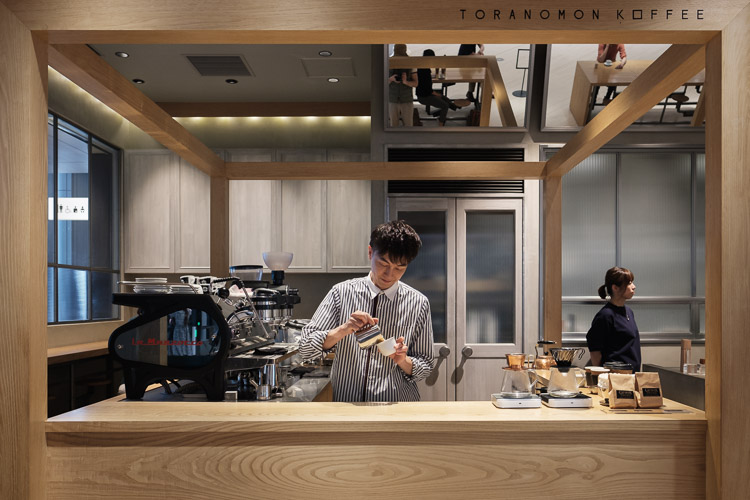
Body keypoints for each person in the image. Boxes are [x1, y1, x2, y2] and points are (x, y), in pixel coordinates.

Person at [299, 221, 435, 402]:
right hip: (348, 406)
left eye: (399, 268)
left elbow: (425, 365)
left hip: (397, 406)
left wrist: (403, 360)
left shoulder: (418, 303)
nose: (389, 274)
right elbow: (305, 347)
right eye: (383, 263)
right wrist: (343, 329)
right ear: (370, 252)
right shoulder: (341, 293)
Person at [586, 266, 642, 370]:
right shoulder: (605, 315)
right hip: (615, 377)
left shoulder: (629, 311)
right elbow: (595, 349)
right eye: (629, 283)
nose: (634, 286)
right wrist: (601, 375)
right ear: (615, 287)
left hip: (632, 375)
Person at [416, 49, 468, 126]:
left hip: (426, 93)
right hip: (424, 96)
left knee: (446, 99)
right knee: (445, 105)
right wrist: (437, 94)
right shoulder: (424, 71)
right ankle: (441, 122)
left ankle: (452, 107)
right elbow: (427, 89)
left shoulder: (423, 67)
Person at [388, 44, 418, 127]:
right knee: (394, 125)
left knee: (407, 125)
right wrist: (391, 79)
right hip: (393, 99)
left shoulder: (410, 63)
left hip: (405, 99)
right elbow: (380, 83)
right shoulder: (388, 61)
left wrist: (406, 82)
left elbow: (416, 83)